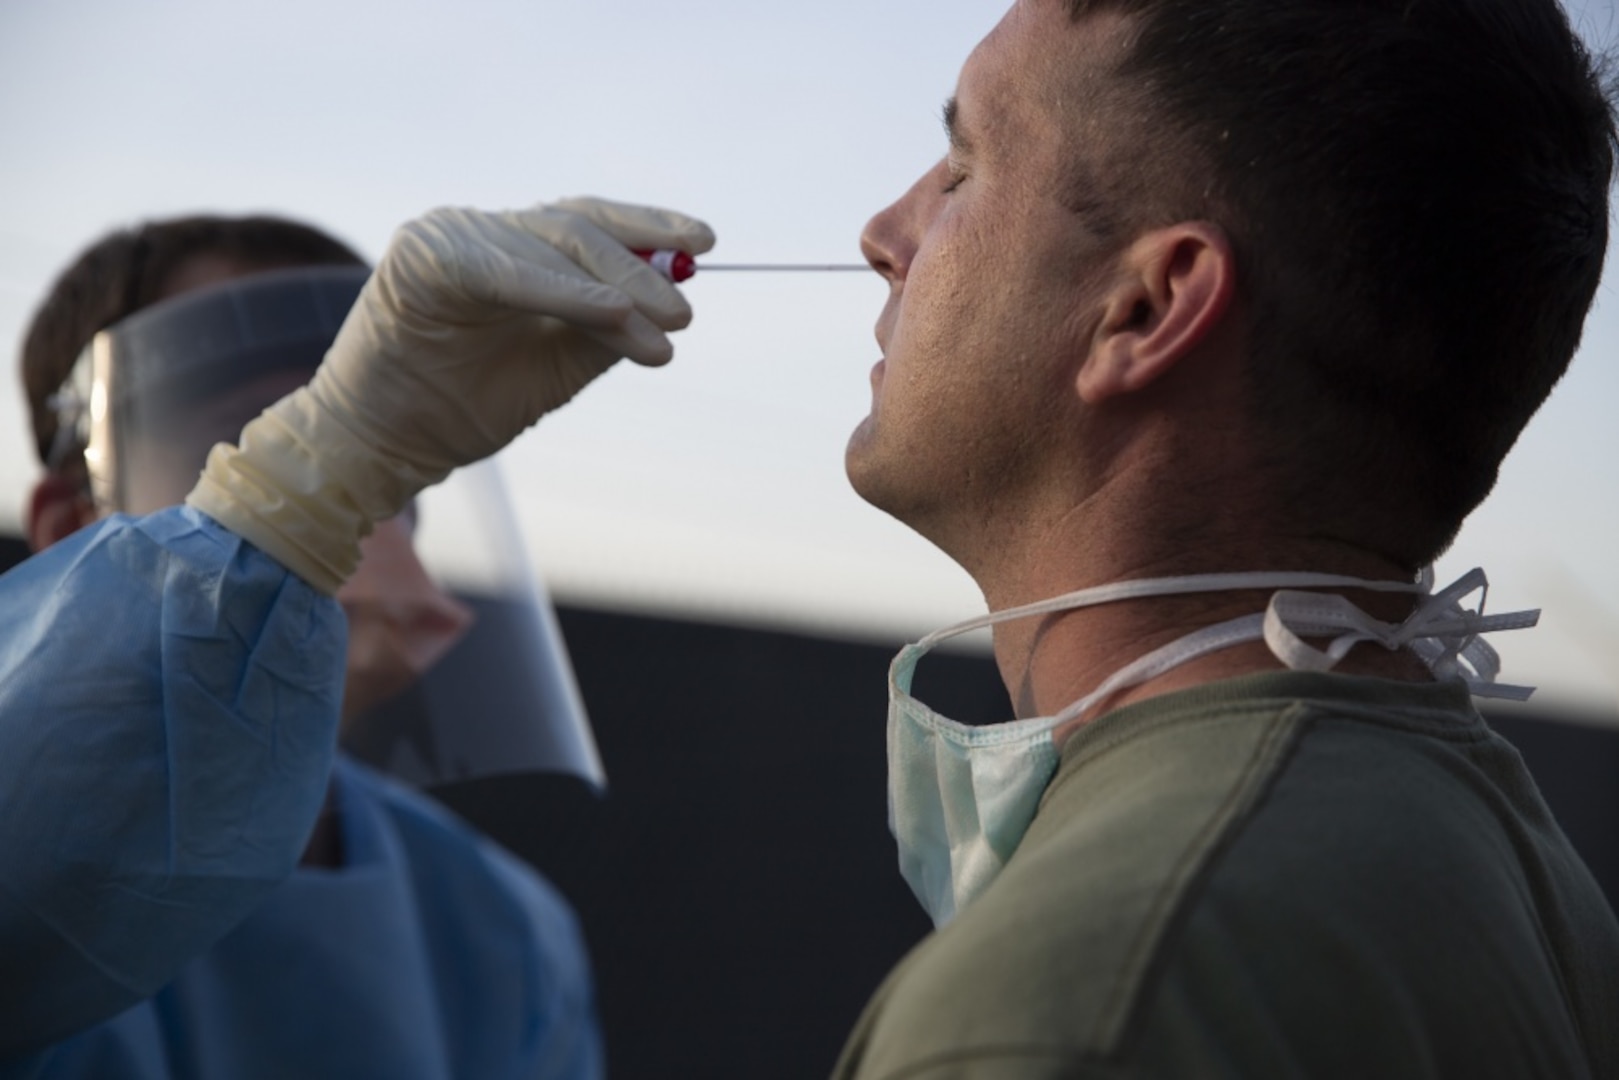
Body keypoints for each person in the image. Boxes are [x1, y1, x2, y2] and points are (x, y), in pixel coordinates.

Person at [825, 0, 1619, 1076]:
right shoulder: (1521, 879)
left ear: (1147, 310)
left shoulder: (1070, 1007)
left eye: (960, 169)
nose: (883, 236)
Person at [0, 210, 678, 1077]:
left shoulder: (502, 932)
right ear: (69, 529)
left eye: (387, 453)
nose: (355, 492)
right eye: (262, 439)